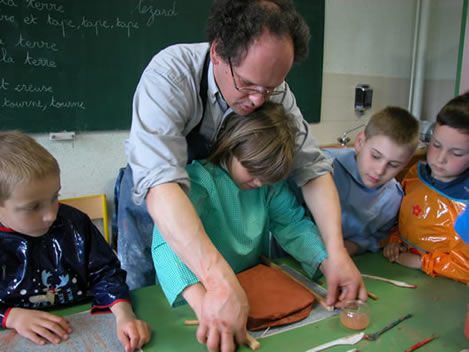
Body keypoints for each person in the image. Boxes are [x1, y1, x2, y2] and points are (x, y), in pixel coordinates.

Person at [118, 0, 366, 350]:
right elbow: (162, 187)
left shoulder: (269, 91)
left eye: (271, 88)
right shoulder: (171, 75)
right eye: (248, 85)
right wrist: (215, 286)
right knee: (149, 307)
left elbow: (312, 169)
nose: (259, 101)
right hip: (162, 195)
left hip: (218, 189)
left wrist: (335, 253)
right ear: (219, 52)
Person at [152, 102, 327, 315]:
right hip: (193, 298)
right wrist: (204, 306)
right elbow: (167, 245)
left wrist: (326, 261)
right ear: (231, 146)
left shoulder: (268, 185)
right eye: (252, 170)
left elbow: (293, 225)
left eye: (268, 175)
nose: (260, 182)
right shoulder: (199, 183)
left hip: (246, 290)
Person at [0, 131, 151, 352]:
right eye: (33, 207)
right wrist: (11, 317)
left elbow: (106, 272)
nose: (51, 215)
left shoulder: (74, 222)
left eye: (55, 197)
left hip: (83, 320)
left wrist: (123, 315)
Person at [383, 92, 469, 284]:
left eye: (456, 153)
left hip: (447, 289)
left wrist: (421, 262)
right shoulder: (415, 175)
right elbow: (399, 220)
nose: (440, 159)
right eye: (436, 145)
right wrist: (394, 242)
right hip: (401, 274)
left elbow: (466, 268)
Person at [323, 107, 419, 255]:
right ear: (360, 142)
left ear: (405, 164)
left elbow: (376, 238)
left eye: (393, 165)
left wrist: (354, 246)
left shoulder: (393, 197)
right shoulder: (324, 166)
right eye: (375, 156)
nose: (380, 171)